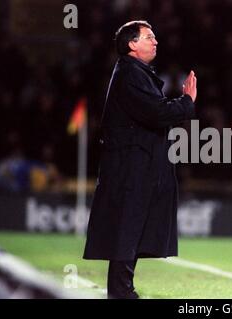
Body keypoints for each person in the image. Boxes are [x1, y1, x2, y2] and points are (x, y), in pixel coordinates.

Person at [83, 20, 197, 299]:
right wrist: (186, 101)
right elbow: (155, 112)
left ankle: (123, 291)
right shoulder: (130, 73)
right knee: (127, 229)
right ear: (132, 44)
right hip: (130, 170)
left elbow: (152, 113)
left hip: (134, 167)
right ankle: (121, 293)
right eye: (149, 37)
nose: (155, 41)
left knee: (131, 230)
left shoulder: (135, 73)